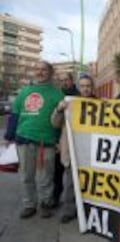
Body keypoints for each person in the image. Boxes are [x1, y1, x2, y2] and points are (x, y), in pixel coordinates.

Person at [4, 61, 64, 218]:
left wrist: (59, 141)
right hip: (24, 139)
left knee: (46, 176)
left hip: (47, 142)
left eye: (44, 69)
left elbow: (63, 120)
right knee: (26, 176)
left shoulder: (58, 94)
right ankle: (29, 204)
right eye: (37, 69)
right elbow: (15, 114)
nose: (40, 72)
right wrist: (9, 136)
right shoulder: (24, 91)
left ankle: (45, 203)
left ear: (50, 72)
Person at [51, 75, 96, 223]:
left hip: (91, 153)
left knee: (90, 184)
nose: (86, 89)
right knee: (69, 183)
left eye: (88, 85)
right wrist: (59, 109)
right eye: (82, 86)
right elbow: (55, 124)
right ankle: (69, 211)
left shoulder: (100, 104)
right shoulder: (69, 103)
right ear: (79, 87)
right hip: (72, 152)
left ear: (92, 87)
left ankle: (88, 210)